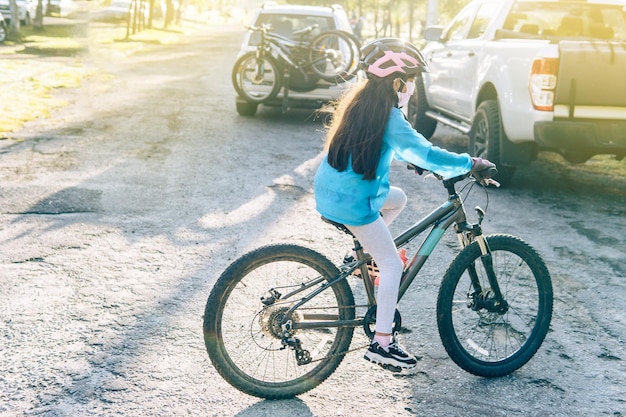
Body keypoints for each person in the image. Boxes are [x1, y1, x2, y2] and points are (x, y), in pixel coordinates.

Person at [313, 38, 495, 371]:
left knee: (398, 198)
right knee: (393, 265)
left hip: (332, 191)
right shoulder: (389, 115)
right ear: (396, 81)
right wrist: (470, 163)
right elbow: (423, 151)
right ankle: (382, 343)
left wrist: (413, 158)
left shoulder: (362, 102)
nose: (411, 87)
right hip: (355, 202)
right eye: (409, 80)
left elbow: (379, 145)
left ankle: (367, 259)